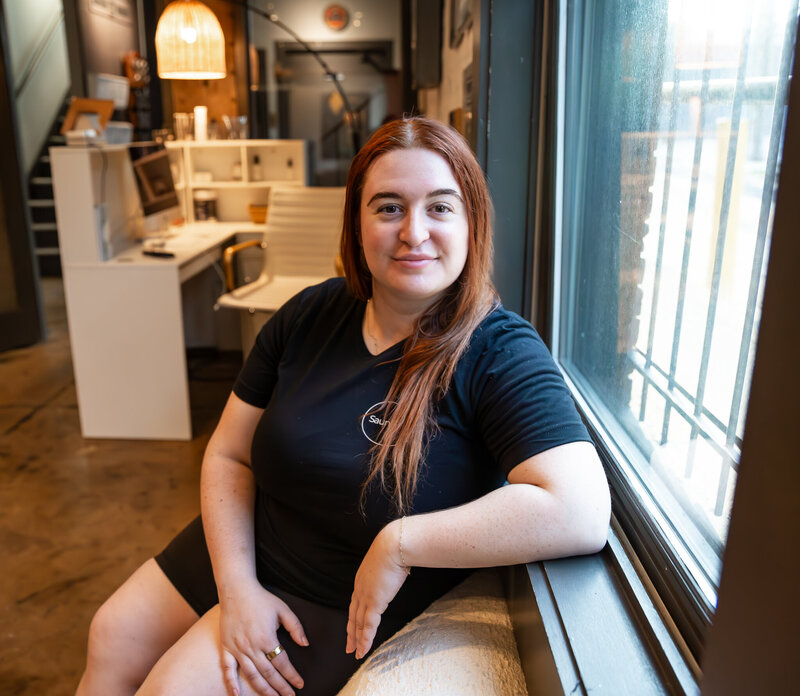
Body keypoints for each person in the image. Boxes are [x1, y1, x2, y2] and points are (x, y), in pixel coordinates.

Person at [75, 116, 610, 696]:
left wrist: (401, 542)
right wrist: (237, 588)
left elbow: (579, 510)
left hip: (336, 598)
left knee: (170, 690)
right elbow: (229, 455)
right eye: (388, 208)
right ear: (357, 223)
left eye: (439, 207)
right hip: (244, 545)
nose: (414, 232)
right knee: (112, 634)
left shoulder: (498, 350)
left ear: (472, 223)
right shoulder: (309, 313)